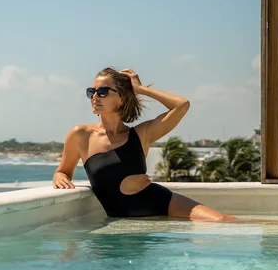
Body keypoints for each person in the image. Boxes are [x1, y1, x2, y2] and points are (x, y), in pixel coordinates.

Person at [52, 67, 234, 221]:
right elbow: (63, 171)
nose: (95, 97)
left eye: (103, 92)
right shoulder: (81, 135)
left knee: (225, 222)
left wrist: (140, 89)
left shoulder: (140, 134)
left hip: (162, 202)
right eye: (91, 92)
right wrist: (59, 176)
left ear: (121, 98)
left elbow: (182, 105)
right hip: (125, 220)